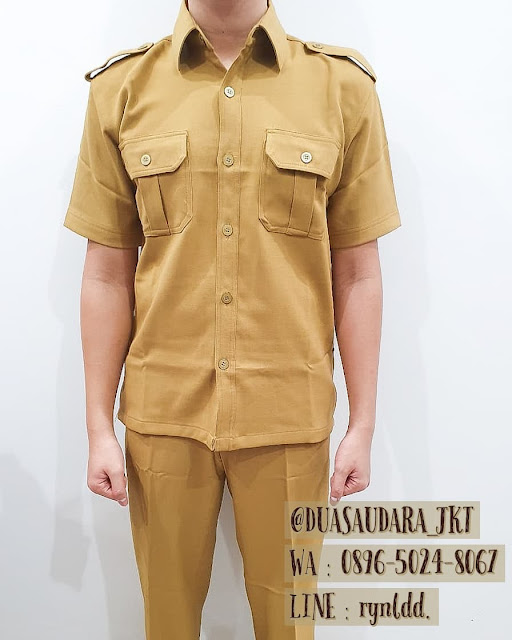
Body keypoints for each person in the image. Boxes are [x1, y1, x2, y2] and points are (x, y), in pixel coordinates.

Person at [63, 0, 401, 637]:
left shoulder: (341, 87)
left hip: (289, 416)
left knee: (289, 626)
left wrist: (363, 423)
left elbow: (359, 272)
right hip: (163, 418)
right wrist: (97, 427)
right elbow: (105, 272)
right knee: (166, 624)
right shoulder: (122, 89)